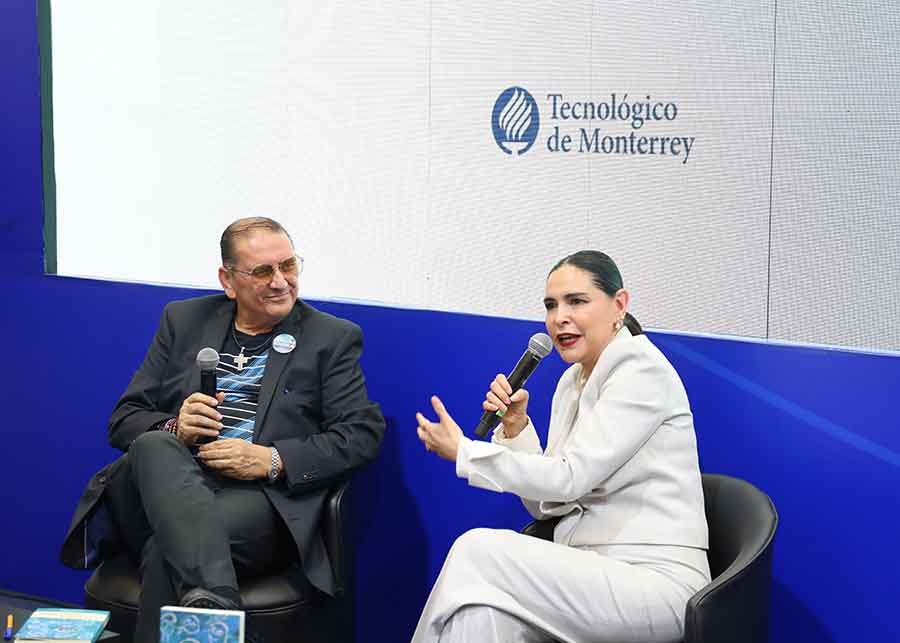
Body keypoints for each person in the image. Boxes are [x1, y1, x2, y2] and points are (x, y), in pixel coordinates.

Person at [60, 217, 385, 643]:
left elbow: (361, 434)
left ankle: (210, 600)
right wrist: (177, 426)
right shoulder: (183, 320)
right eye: (263, 271)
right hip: (157, 494)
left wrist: (271, 459)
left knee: (168, 552)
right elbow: (124, 419)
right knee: (157, 444)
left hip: (253, 502)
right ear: (227, 280)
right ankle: (219, 605)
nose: (280, 281)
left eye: (288, 266)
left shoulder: (331, 338)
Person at [412, 250, 710, 643]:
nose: (559, 318)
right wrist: (516, 427)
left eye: (577, 302)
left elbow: (567, 478)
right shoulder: (571, 383)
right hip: (586, 572)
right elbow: (549, 504)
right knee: (481, 615)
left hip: (654, 583)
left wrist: (466, 452)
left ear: (619, 304)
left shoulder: (642, 370)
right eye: (551, 305)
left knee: (476, 549)